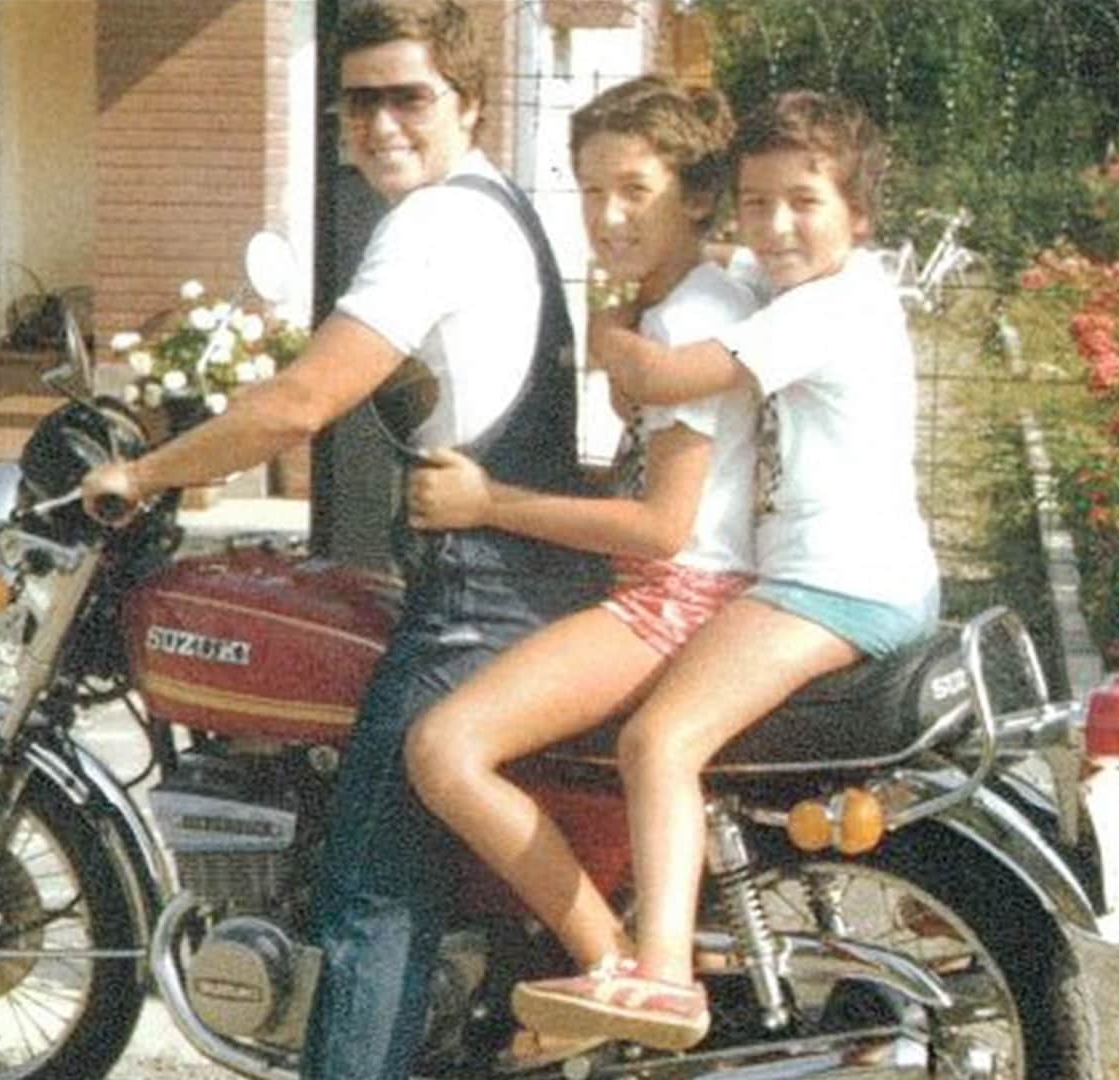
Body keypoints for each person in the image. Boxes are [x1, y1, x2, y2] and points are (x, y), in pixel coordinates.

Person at [79, 3, 605, 1077]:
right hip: (525, 579)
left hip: (481, 597)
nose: (379, 124)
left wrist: (142, 472)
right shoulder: (496, 203)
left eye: (408, 96)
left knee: (368, 888)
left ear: (469, 103)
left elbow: (300, 403)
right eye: (358, 102)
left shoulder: (432, 225)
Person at [508, 90, 941, 1053]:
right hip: (868, 576)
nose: (775, 227)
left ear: (860, 215)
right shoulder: (803, 284)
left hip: (834, 586)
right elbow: (724, 268)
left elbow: (662, 379)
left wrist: (611, 332)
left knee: (660, 741)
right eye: (755, 202)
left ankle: (661, 978)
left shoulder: (827, 309)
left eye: (804, 203)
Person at [397, 73, 759, 1064]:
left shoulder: (686, 320)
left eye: (635, 189)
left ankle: (614, 969)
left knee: (445, 747)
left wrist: (490, 504)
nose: (607, 215)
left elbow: (662, 526)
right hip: (682, 589)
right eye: (591, 190)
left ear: (696, 194)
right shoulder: (683, 300)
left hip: (672, 600)